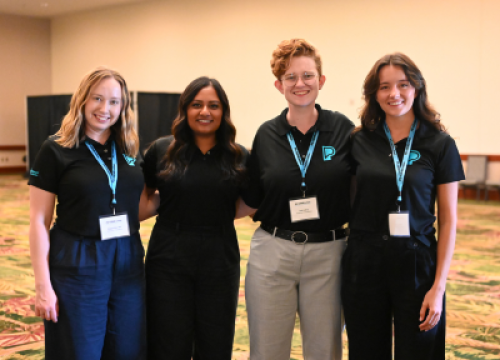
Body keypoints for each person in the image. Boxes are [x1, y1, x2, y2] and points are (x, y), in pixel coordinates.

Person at [342, 53, 465, 360]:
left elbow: (449, 221)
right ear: (374, 94)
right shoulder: (359, 141)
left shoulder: (439, 143)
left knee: (420, 350)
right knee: (366, 350)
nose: (394, 94)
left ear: (417, 88)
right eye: (384, 87)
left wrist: (439, 287)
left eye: (403, 84)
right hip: (365, 260)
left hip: (417, 261)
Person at [239, 38, 354, 360]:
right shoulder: (266, 135)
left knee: (324, 349)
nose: (300, 84)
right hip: (273, 253)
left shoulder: (344, 129)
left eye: (307, 75)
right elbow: (252, 198)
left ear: (321, 80)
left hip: (329, 254)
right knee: (267, 350)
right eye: (290, 77)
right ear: (279, 85)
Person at [28, 67, 146, 360]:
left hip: (128, 257)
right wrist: (43, 286)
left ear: (123, 106)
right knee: (79, 350)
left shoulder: (128, 149)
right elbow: (39, 222)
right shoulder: (56, 149)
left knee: (127, 348)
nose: (105, 109)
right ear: (82, 100)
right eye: (97, 98)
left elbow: (136, 207)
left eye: (114, 101)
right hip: (78, 258)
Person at [140, 76, 247, 360]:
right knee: (167, 340)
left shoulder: (238, 156)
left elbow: (250, 203)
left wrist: (216, 212)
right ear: (185, 109)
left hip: (220, 254)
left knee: (215, 340)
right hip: (168, 254)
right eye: (197, 105)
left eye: (214, 105)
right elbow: (144, 197)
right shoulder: (161, 150)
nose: (205, 112)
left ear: (223, 112)